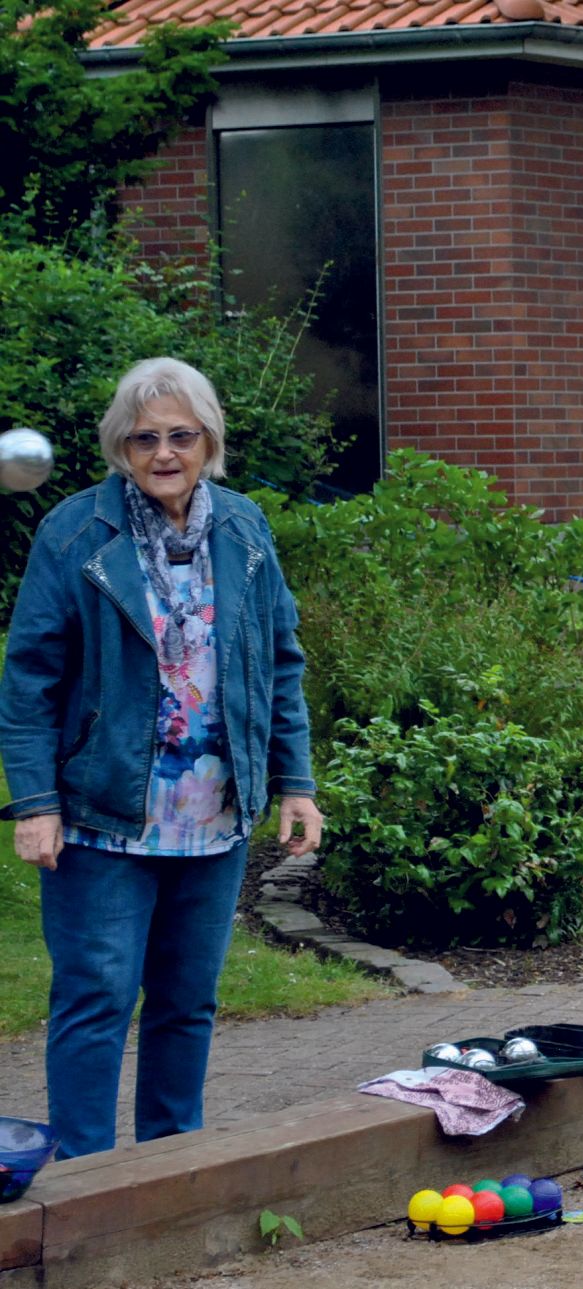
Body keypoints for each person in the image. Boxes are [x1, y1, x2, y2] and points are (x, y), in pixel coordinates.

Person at [0, 357, 322, 1160]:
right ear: (122, 447)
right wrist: (35, 802)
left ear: (208, 440)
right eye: (145, 438)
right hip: (104, 813)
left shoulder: (243, 528)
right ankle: (83, 1178)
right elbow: (30, 676)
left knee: (187, 1000)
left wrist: (295, 781)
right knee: (95, 997)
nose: (165, 452)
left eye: (182, 435)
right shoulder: (74, 533)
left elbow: (279, 658)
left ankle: (171, 1167)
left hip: (215, 816)